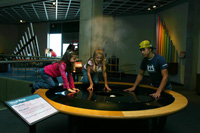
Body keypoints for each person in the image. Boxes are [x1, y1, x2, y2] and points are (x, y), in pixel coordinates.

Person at [124, 40, 172, 133]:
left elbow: (165, 76)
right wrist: (134, 87)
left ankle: (160, 128)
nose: (142, 52)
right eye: (141, 50)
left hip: (165, 86)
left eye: (144, 50)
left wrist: (159, 91)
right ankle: (153, 127)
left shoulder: (160, 59)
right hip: (154, 86)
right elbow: (140, 74)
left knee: (163, 109)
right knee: (153, 107)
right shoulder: (144, 61)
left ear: (150, 49)